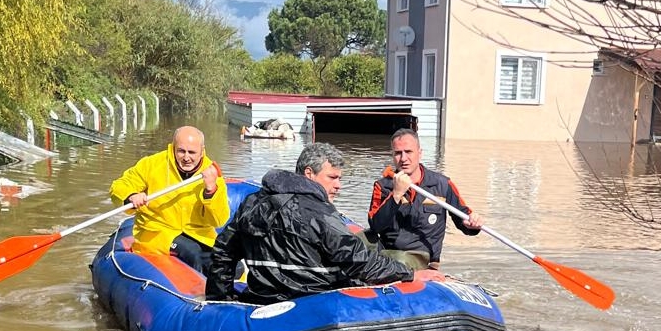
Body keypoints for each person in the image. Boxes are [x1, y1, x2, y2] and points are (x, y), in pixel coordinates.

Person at [205, 141, 439, 305]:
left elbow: (223, 253)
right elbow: (360, 262)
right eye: (333, 178)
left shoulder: (253, 203)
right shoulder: (320, 214)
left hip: (263, 300)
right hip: (315, 305)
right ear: (309, 174)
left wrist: (220, 301)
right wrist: (410, 274)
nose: (338, 186)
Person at [109, 125, 230, 273]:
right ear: (173, 147)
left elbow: (219, 220)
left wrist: (211, 191)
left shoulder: (212, 174)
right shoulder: (152, 164)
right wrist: (131, 196)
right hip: (157, 233)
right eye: (181, 151)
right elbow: (119, 187)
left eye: (192, 152)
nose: (186, 158)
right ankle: (195, 294)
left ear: (202, 151)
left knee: (225, 260)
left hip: (198, 235)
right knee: (192, 254)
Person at [367, 128, 483, 268]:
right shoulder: (383, 186)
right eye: (398, 153)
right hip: (390, 259)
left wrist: (472, 223)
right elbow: (375, 226)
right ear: (392, 155)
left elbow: (464, 218)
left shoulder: (443, 184)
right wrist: (396, 195)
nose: (403, 158)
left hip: (425, 264)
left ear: (420, 153)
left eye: (408, 152)